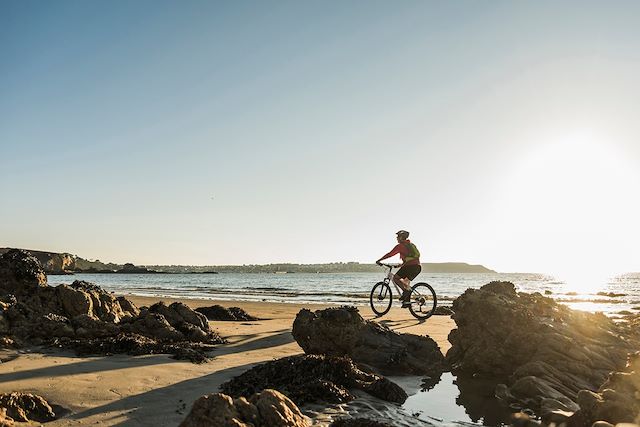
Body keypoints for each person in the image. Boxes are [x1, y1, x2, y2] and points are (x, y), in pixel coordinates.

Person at [376, 230, 421, 308]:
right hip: (417, 267)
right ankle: (406, 301)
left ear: (401, 237)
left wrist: (379, 260)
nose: (397, 238)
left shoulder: (400, 246)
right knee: (405, 283)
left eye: (398, 236)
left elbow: (390, 254)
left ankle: (406, 293)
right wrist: (400, 265)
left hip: (409, 267)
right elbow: (410, 259)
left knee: (396, 278)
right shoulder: (411, 245)